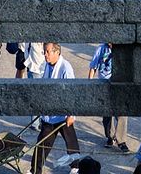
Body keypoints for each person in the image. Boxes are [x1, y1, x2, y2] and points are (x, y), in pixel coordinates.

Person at [31, 43, 80, 174]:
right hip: (49, 115)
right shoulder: (47, 65)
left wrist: (71, 114)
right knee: (41, 145)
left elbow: (71, 92)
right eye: (44, 52)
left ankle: (76, 167)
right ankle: (35, 170)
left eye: (47, 52)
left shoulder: (65, 68)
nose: (45, 55)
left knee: (71, 143)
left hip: (63, 114)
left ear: (56, 52)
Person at [88, 43, 129, 152]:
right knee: (107, 114)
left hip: (118, 84)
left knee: (122, 113)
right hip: (104, 84)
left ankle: (121, 140)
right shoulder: (101, 49)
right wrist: (89, 85)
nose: (111, 43)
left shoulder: (123, 49)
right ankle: (109, 137)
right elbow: (93, 67)